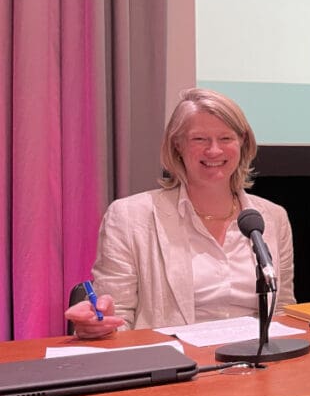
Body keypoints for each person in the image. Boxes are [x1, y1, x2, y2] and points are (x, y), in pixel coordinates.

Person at [66, 88, 295, 337]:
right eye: (200, 139)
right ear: (178, 145)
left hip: (258, 364)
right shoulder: (128, 217)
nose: (214, 150)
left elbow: (282, 310)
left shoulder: (273, 217)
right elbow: (117, 320)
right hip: (175, 366)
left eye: (226, 138)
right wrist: (99, 326)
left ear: (242, 142)